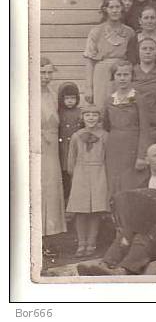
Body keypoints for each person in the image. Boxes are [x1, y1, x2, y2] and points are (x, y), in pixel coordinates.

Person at [77, 143, 156, 276]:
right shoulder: (142, 185)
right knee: (127, 233)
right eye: (155, 155)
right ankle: (105, 264)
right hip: (148, 234)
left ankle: (123, 270)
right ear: (147, 160)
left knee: (141, 237)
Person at [103, 60, 151, 198]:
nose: (122, 78)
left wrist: (142, 156)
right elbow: (106, 125)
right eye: (119, 75)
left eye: (126, 74)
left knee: (130, 183)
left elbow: (145, 128)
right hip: (114, 147)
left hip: (133, 147)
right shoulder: (109, 100)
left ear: (131, 76)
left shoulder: (139, 98)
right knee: (113, 183)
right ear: (114, 77)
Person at [66, 105, 109, 258]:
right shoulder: (77, 136)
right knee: (81, 211)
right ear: (82, 118)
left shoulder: (104, 135)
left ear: (99, 117)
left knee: (95, 211)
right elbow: (71, 157)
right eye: (87, 115)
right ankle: (81, 243)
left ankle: (91, 242)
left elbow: (107, 157)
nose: (91, 118)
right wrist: (73, 172)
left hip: (99, 173)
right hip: (81, 174)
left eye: (94, 115)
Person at [83, 0, 136, 109]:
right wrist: (88, 88)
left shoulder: (129, 32)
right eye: (111, 7)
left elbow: (133, 59)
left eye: (117, 7)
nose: (115, 10)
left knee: (122, 106)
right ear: (105, 10)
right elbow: (89, 61)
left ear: (122, 9)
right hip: (101, 75)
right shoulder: (96, 31)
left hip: (122, 73)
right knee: (102, 107)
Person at [40, 58, 67, 252]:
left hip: (51, 150)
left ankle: (47, 237)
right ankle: (35, 237)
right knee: (37, 188)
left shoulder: (51, 93)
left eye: (49, 73)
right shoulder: (24, 93)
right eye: (42, 73)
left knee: (50, 189)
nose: (46, 77)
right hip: (35, 147)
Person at [132, 38, 156, 141]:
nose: (148, 52)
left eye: (151, 49)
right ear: (138, 52)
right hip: (136, 125)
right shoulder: (131, 72)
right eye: (144, 49)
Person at [58, 81, 81, 203]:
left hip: (75, 149)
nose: (70, 101)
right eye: (67, 98)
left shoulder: (80, 113)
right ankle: (65, 202)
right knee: (64, 175)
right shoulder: (59, 112)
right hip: (62, 149)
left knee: (75, 174)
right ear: (62, 99)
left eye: (73, 98)